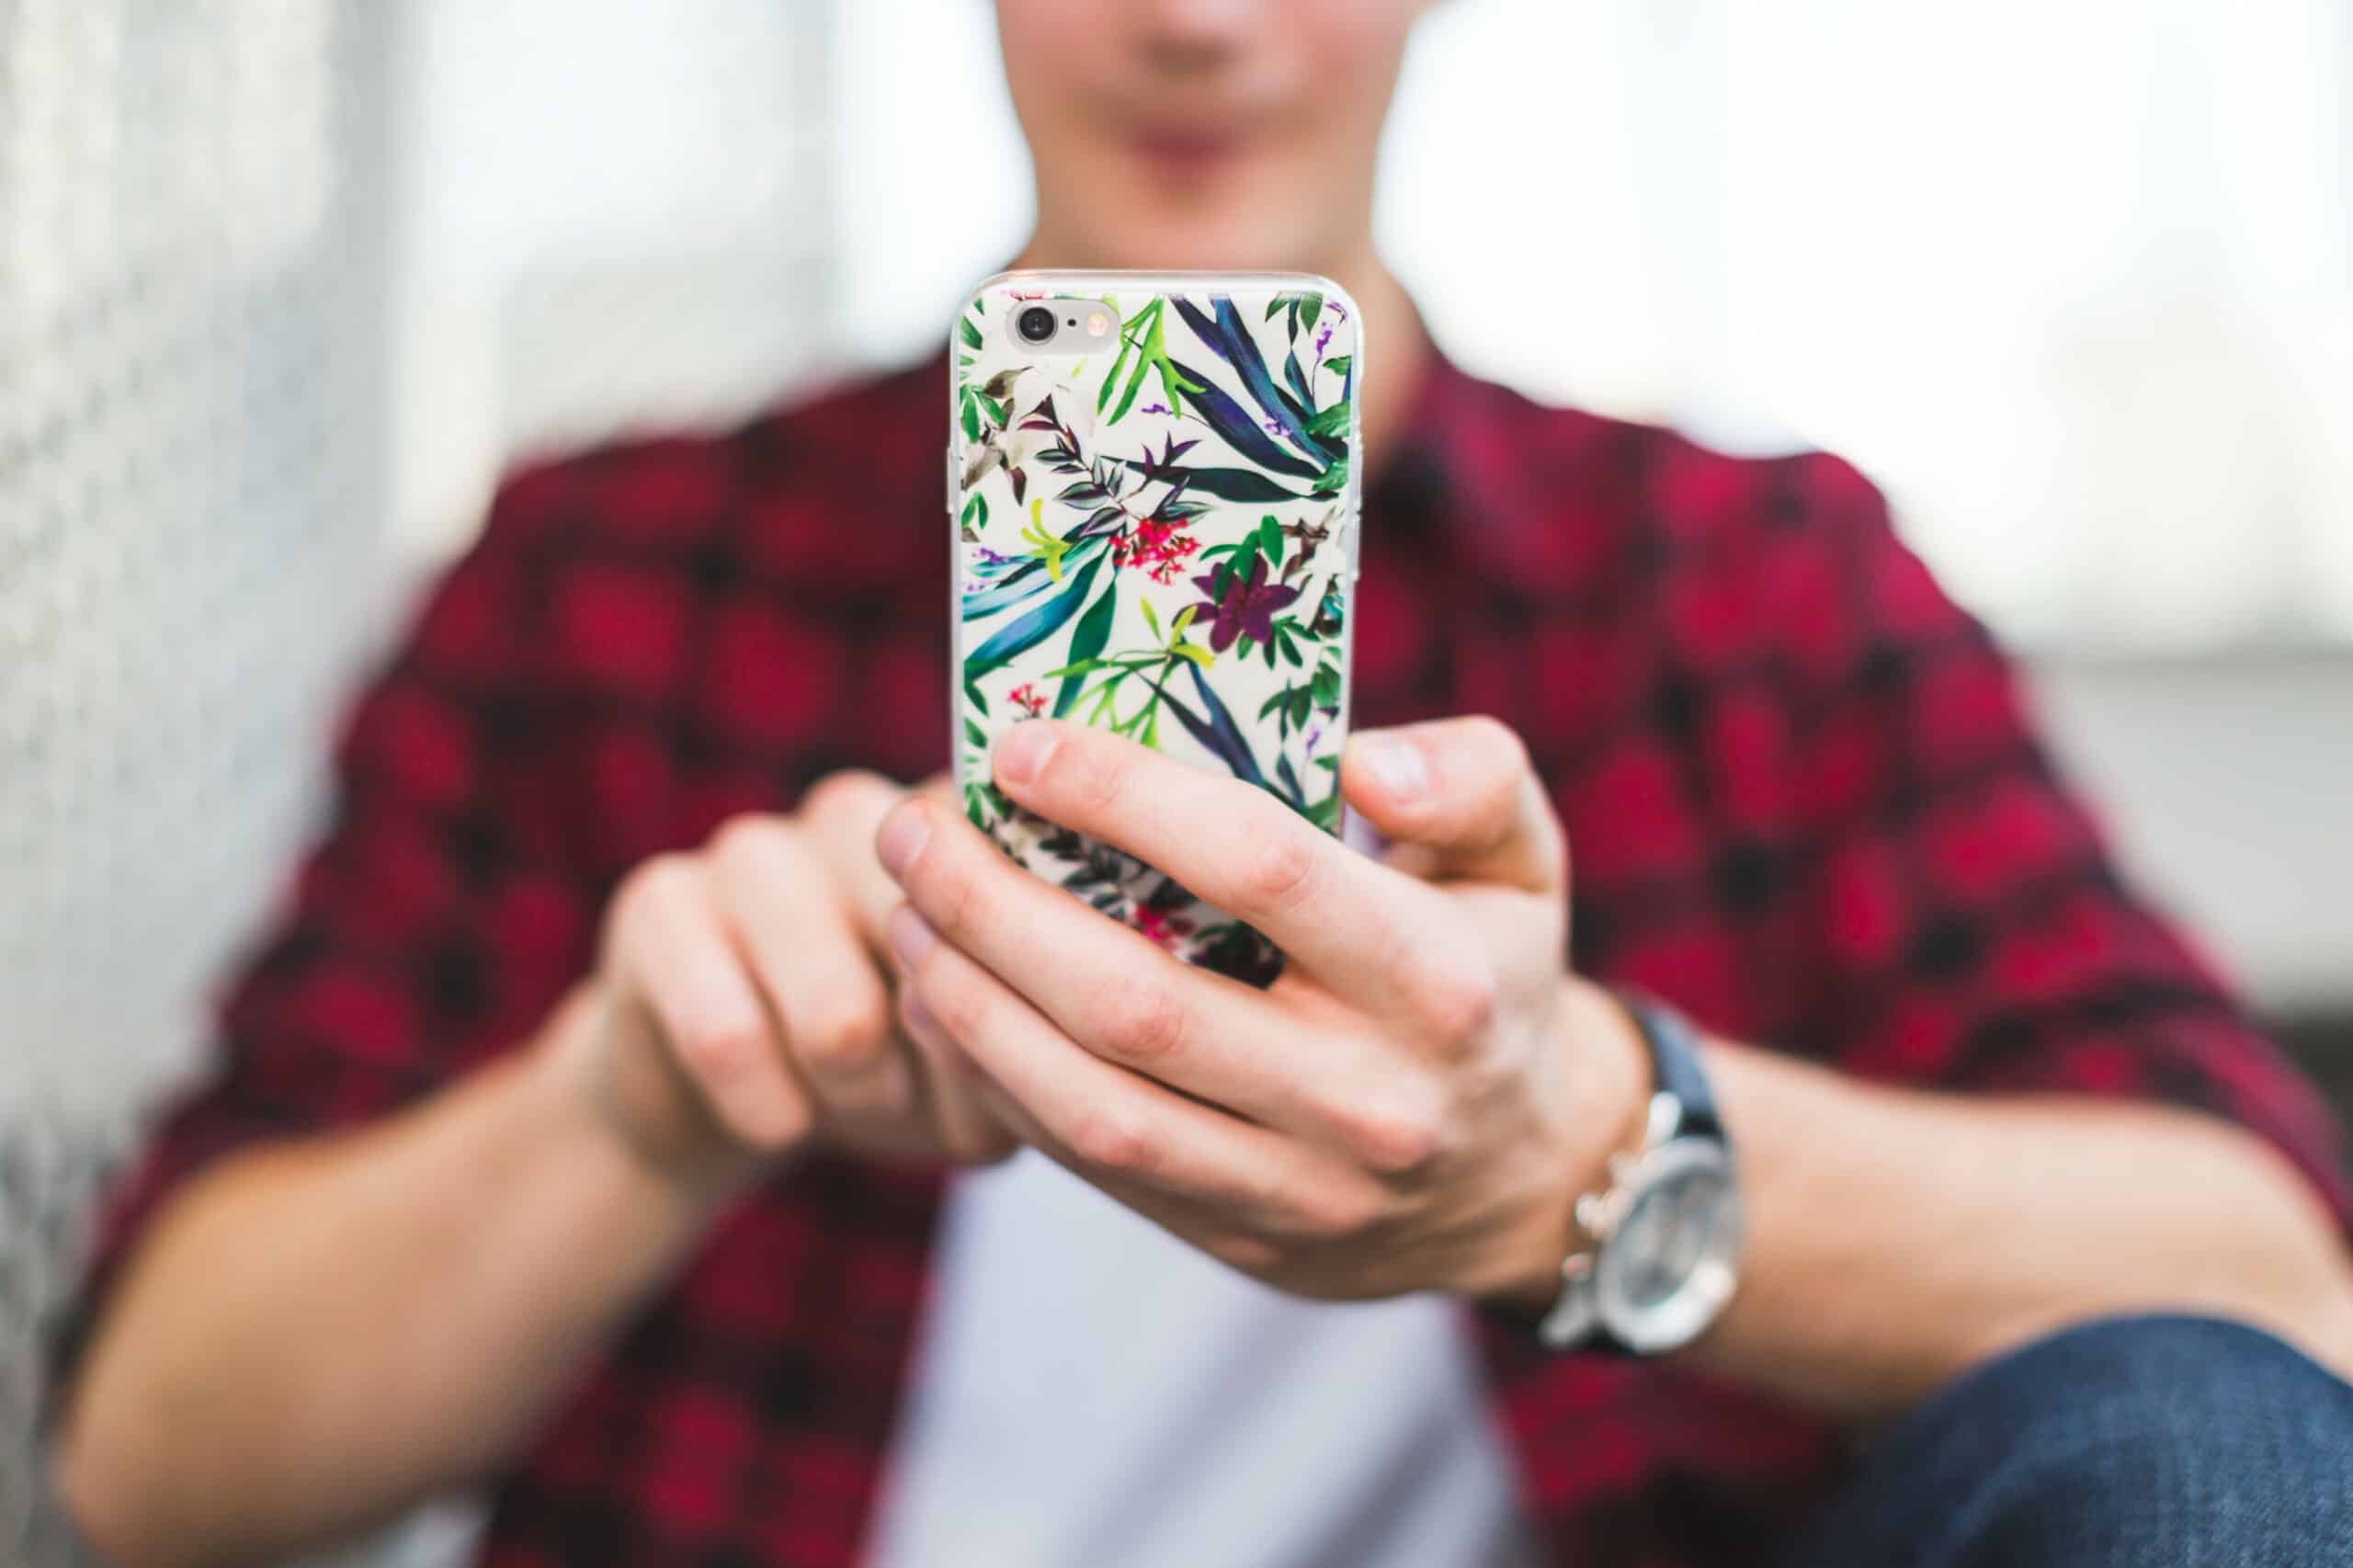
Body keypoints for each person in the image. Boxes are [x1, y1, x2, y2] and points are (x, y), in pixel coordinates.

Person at [44, 3, 2353, 1565]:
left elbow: (2266, 1288)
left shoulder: (1740, 584)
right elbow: (146, 1456)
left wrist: (1576, 1153)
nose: (1195, 14)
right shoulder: (616, 575)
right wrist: (635, 1106)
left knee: (2198, 1431)